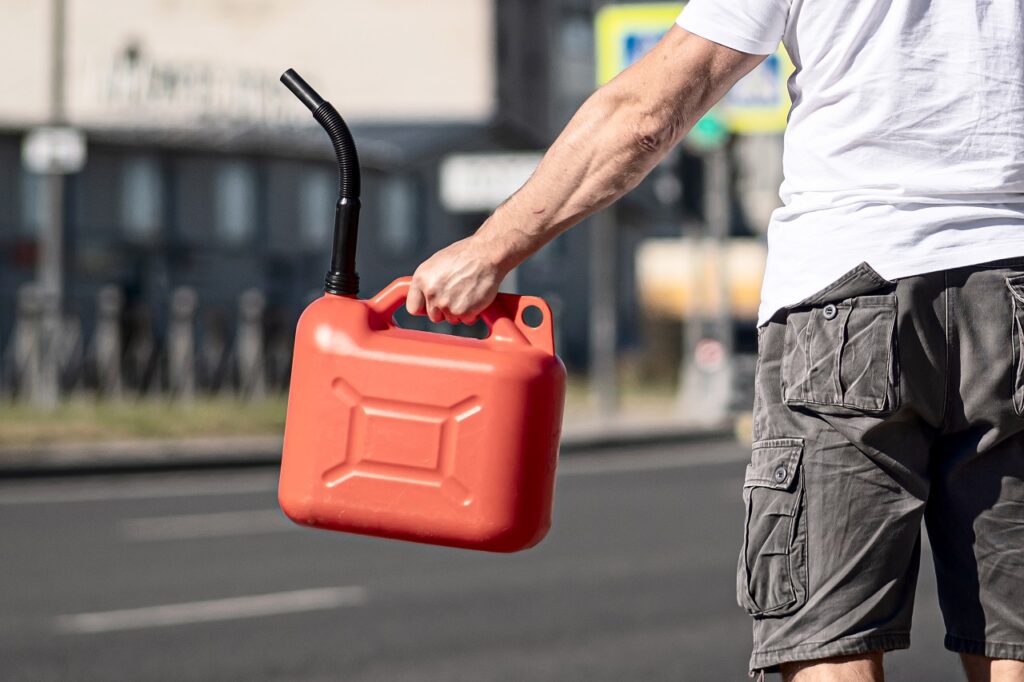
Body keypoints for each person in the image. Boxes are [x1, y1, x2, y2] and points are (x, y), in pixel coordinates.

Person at [406, 1, 1024, 679]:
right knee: (1014, 635)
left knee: (829, 637)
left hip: (848, 297)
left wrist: (492, 249)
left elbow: (648, 113)